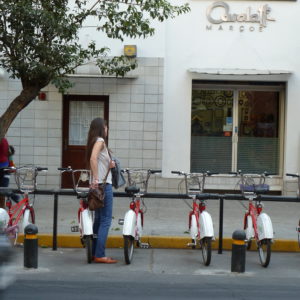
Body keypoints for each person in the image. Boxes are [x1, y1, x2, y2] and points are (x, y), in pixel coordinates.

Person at [86, 118, 117, 264]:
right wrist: (97, 179)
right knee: (105, 220)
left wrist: (109, 165)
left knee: (98, 219)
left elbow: (95, 160)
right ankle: (100, 254)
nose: (107, 129)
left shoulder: (92, 141)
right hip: (104, 186)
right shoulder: (100, 141)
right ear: (102, 128)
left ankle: (93, 252)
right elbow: (93, 159)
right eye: (106, 127)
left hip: (97, 186)